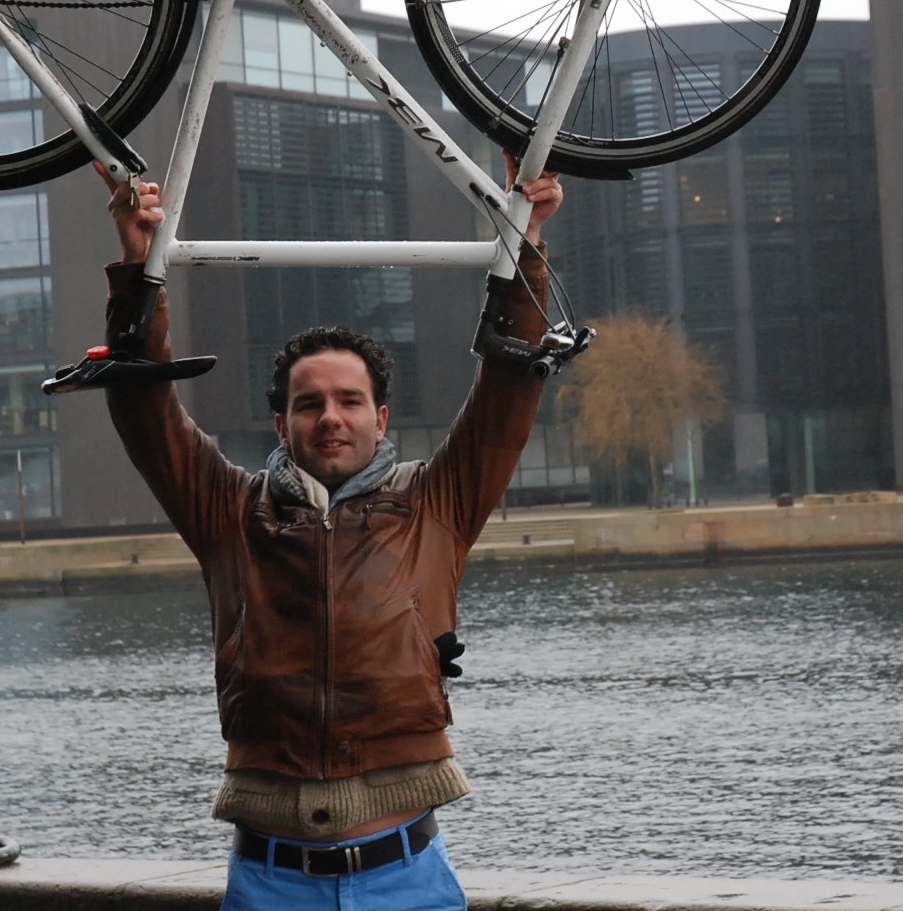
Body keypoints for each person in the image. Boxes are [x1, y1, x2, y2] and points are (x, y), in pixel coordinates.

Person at [96, 158, 562, 910]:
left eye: (350, 401)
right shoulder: (229, 512)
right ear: (282, 423)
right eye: (310, 404)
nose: (330, 417)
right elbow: (144, 411)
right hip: (269, 882)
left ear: (381, 419)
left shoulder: (435, 503)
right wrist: (138, 264)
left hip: (408, 878)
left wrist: (525, 242)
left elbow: (510, 386)